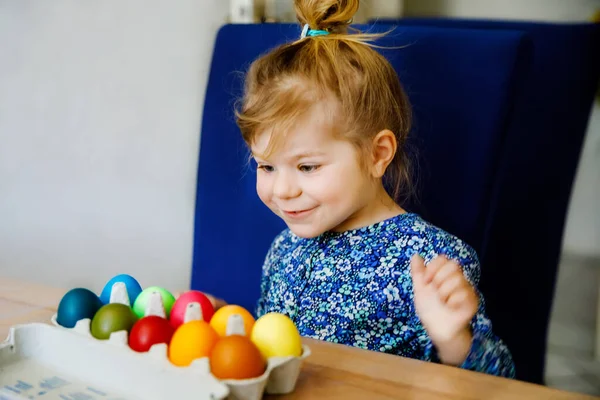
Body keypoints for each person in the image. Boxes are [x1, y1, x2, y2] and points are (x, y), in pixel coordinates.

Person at [213, 0, 516, 378]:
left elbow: (499, 384)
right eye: (267, 166)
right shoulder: (284, 250)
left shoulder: (433, 261)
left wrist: (455, 342)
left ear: (378, 154)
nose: (283, 190)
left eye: (307, 166)